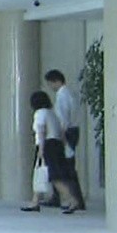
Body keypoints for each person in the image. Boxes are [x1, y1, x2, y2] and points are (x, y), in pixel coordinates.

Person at [21, 91, 85, 213]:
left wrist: (41, 149)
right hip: (57, 145)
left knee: (54, 176)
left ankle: (72, 200)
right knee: (43, 173)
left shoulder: (40, 113)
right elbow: (61, 132)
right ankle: (35, 201)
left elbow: (41, 131)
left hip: (47, 145)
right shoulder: (52, 113)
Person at [44, 69, 82, 207]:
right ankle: (62, 197)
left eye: (50, 83)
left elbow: (63, 119)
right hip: (73, 130)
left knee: (64, 166)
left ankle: (74, 199)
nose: (50, 87)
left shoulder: (62, 95)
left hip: (65, 132)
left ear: (56, 81)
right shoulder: (71, 93)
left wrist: (61, 137)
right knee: (66, 165)